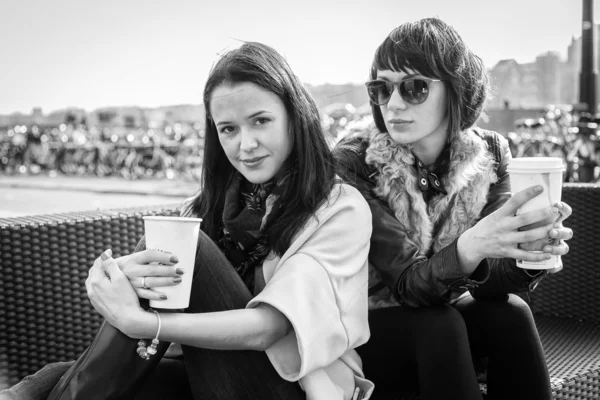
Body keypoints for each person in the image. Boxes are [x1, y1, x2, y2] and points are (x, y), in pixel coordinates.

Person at [2, 42, 374, 400]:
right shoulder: (211, 204)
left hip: (293, 386)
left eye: (261, 121)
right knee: (50, 378)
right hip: (208, 370)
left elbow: (271, 328)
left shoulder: (339, 208)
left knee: (185, 248)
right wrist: (119, 277)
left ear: (295, 117)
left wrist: (146, 324)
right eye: (228, 128)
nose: (245, 145)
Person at [333, 18, 574, 400]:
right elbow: (406, 285)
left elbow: (493, 286)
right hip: (363, 331)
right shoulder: (355, 161)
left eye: (414, 88)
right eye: (381, 88)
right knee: (438, 324)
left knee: (510, 312)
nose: (393, 103)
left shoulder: (489, 152)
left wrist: (528, 253)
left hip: (443, 327)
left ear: (456, 90)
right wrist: (472, 246)